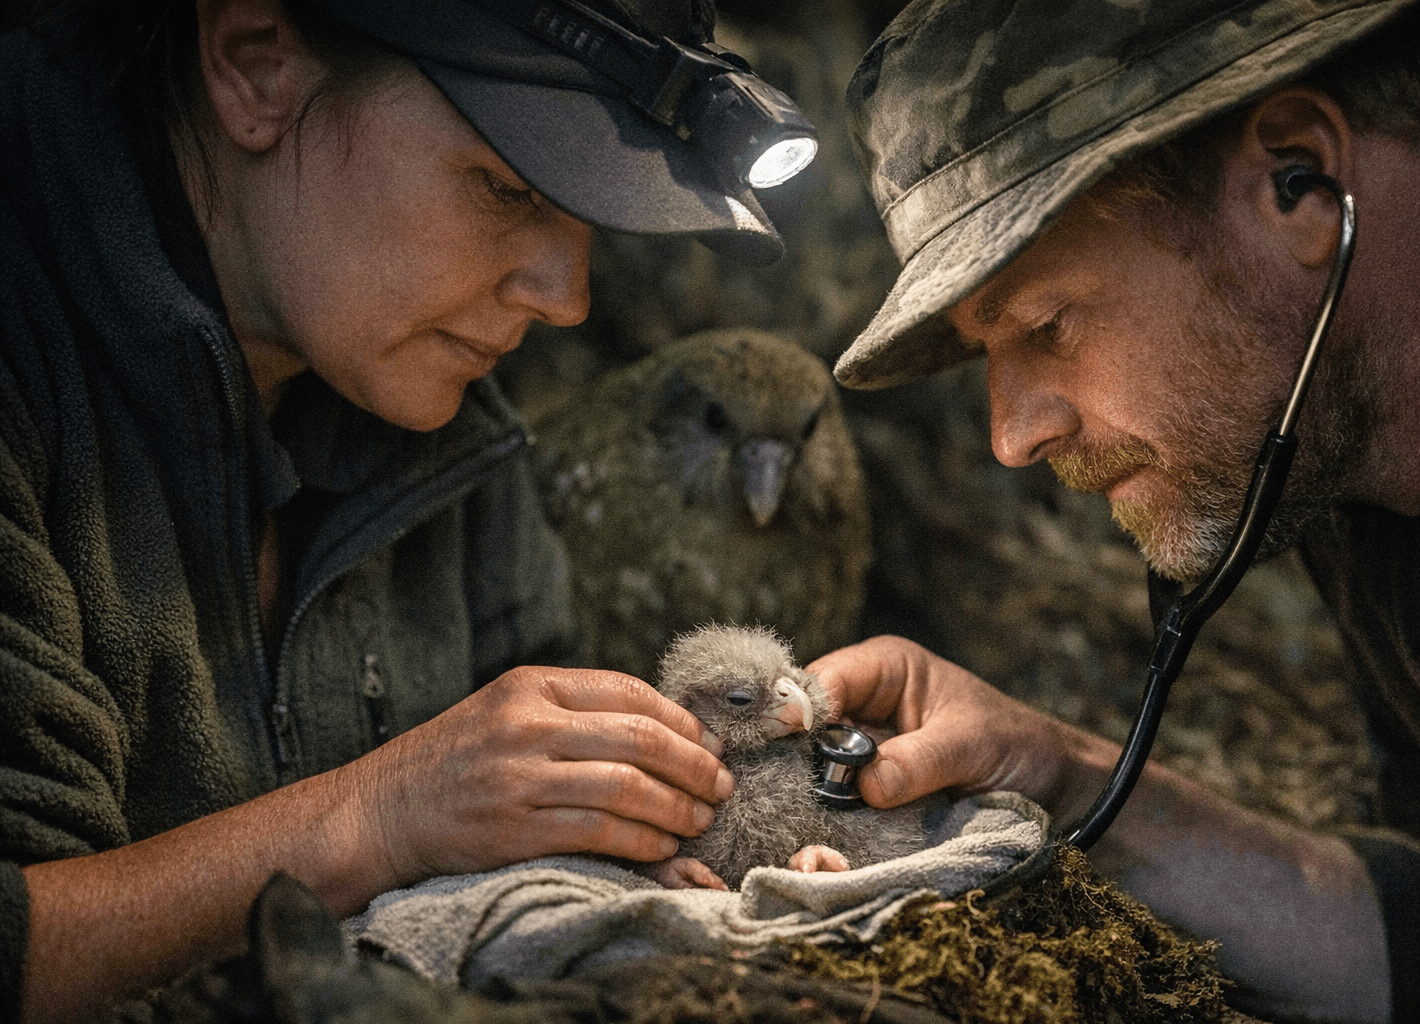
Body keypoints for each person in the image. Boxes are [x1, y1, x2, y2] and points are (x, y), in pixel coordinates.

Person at [0, 0, 814, 1019]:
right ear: (255, 66)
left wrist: (629, 874)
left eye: (588, 215)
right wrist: (381, 813)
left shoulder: (440, 420)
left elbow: (535, 860)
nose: (567, 296)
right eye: (507, 187)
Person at [809, 0, 1420, 1020]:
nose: (1011, 435)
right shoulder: (1326, 429)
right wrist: (1053, 779)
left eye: (1047, 325)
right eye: (991, 355)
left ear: (1300, 182)